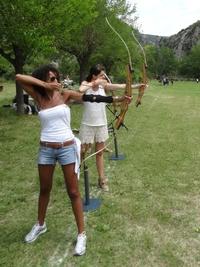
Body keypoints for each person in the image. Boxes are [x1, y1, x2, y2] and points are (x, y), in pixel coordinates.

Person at [15, 64, 125, 256]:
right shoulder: (39, 97)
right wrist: (44, 85)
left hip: (66, 148)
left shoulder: (65, 94)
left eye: (57, 78)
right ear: (43, 80)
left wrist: (117, 99)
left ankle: (81, 234)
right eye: (52, 79)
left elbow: (91, 97)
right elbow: (18, 77)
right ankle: (40, 224)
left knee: (74, 192)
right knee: (44, 189)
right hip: (46, 149)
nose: (56, 82)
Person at [79, 64, 145, 192]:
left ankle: (101, 179)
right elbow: (81, 90)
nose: (104, 77)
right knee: (84, 150)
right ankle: (78, 165)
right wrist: (95, 83)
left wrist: (137, 86)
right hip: (88, 124)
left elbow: (121, 86)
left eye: (104, 75)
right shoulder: (86, 83)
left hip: (101, 124)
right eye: (101, 75)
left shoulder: (104, 86)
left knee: (99, 153)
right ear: (94, 75)